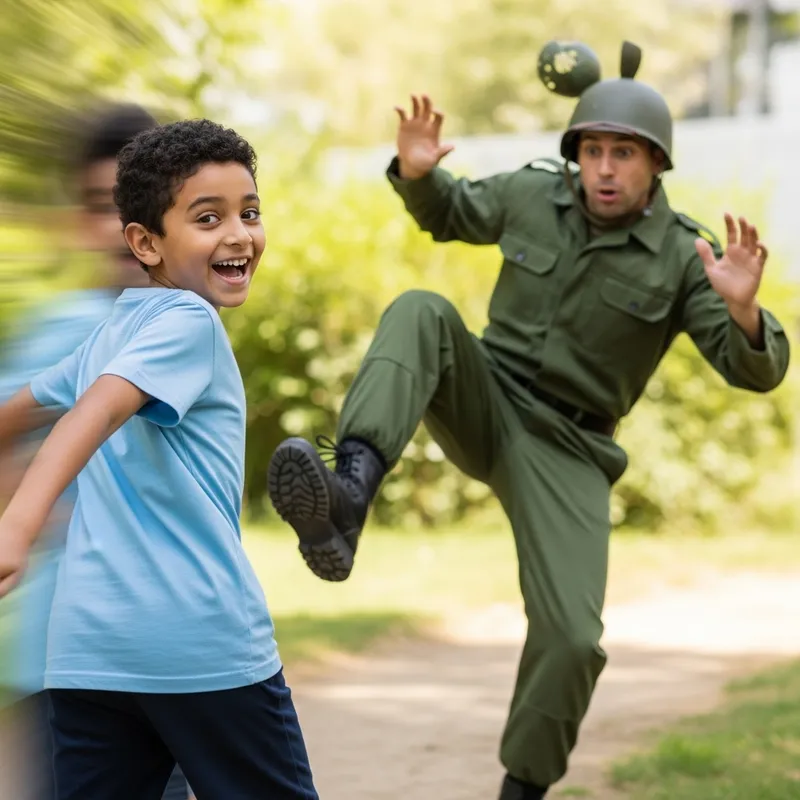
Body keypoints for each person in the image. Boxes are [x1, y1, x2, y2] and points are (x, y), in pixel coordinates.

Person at [265, 41, 790, 799]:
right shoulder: (532, 195)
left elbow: (758, 370)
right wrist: (418, 173)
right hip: (488, 395)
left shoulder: (686, 257)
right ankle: (349, 494)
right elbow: (451, 213)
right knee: (422, 311)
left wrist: (742, 311)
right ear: (574, 154)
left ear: (657, 166)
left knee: (573, 640)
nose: (605, 168)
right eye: (593, 150)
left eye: (625, 154)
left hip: (572, 449)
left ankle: (524, 789)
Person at [0, 119, 317, 800]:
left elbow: (22, 409)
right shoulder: (188, 321)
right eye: (208, 218)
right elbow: (97, 411)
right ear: (144, 241)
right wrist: (19, 525)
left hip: (88, 657)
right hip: (198, 647)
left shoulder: (116, 327)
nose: (238, 234)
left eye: (249, 212)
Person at [0, 101, 191, 800]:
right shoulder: (63, 328)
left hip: (167, 661)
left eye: (134, 202)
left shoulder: (186, 327)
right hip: (66, 670)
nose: (117, 226)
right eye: (96, 205)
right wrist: (32, 520)